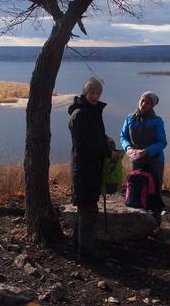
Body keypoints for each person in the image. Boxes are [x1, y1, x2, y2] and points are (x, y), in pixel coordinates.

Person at [68, 77, 118, 259]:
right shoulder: (80, 114)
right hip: (83, 170)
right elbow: (84, 145)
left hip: (90, 169)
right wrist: (107, 152)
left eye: (98, 93)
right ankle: (87, 253)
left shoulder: (92, 111)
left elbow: (96, 135)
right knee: (88, 212)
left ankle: (78, 246)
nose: (95, 96)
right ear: (85, 93)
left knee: (85, 210)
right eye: (92, 93)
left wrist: (106, 141)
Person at [120, 91, 167, 227]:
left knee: (153, 191)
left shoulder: (157, 121)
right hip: (136, 160)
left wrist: (147, 151)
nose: (144, 104)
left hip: (154, 161)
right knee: (137, 187)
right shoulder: (130, 118)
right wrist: (128, 148)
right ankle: (139, 221)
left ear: (152, 105)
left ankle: (155, 223)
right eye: (142, 100)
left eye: (148, 102)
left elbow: (162, 142)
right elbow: (123, 136)